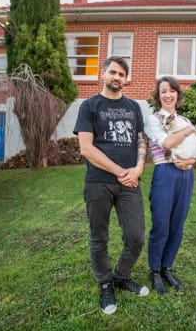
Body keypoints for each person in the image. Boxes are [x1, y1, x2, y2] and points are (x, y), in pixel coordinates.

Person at [73, 56, 149, 315]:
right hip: (99, 183)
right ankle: (105, 283)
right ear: (103, 74)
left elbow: (141, 140)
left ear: (126, 79)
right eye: (113, 72)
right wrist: (120, 172)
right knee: (99, 237)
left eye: (122, 74)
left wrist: (138, 168)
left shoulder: (134, 107)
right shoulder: (89, 106)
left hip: (130, 181)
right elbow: (86, 148)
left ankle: (121, 275)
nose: (117, 77)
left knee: (136, 236)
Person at [144, 76, 196, 295]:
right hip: (164, 172)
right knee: (161, 225)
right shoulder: (154, 120)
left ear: (177, 94)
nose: (168, 95)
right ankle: (154, 271)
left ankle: (167, 268)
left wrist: (189, 161)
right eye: (163, 91)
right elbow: (166, 143)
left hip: (186, 175)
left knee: (177, 225)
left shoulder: (184, 119)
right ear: (158, 97)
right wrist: (188, 131)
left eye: (172, 91)